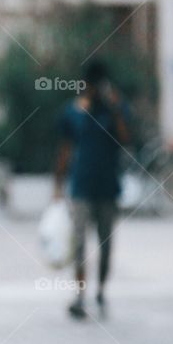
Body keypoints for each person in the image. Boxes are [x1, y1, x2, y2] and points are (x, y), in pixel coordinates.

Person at [54, 59, 131, 319]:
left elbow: (125, 139)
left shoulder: (114, 110)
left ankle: (100, 290)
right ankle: (80, 293)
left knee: (105, 244)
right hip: (81, 186)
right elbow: (65, 147)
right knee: (78, 244)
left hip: (108, 187)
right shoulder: (74, 111)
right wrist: (58, 184)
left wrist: (116, 108)